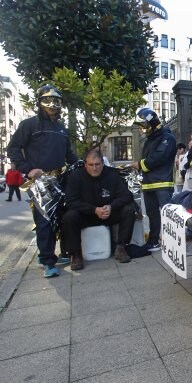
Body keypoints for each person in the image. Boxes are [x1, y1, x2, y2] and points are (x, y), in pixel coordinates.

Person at [7, 84, 78, 278]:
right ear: (39, 102)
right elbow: (12, 148)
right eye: (48, 100)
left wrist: (83, 165)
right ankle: (47, 260)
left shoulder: (61, 127)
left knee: (63, 217)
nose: (53, 105)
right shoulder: (29, 125)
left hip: (60, 179)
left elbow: (69, 154)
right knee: (44, 220)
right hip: (39, 182)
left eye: (56, 101)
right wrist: (28, 170)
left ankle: (62, 253)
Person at [62, 150, 135, 270]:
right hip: (86, 215)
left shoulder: (112, 174)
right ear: (85, 164)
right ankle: (76, 255)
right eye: (91, 165)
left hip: (109, 213)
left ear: (102, 163)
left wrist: (112, 206)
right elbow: (70, 201)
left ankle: (121, 247)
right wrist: (94, 210)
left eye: (97, 164)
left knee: (129, 209)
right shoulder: (75, 176)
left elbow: (126, 195)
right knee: (69, 216)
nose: (94, 168)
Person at [132, 107, 177, 252]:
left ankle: (173, 242)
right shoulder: (149, 141)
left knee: (167, 214)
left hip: (163, 183)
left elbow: (159, 157)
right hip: (148, 183)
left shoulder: (167, 138)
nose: (142, 129)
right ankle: (153, 240)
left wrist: (140, 164)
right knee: (152, 214)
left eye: (143, 126)